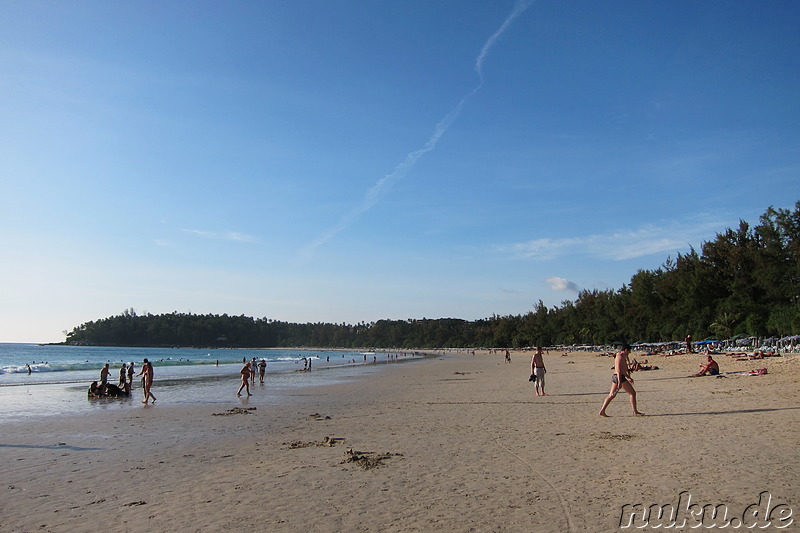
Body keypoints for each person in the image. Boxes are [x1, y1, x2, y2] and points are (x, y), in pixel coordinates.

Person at [599, 344, 644, 417]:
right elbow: (619, 370)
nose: (629, 353)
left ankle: (602, 410)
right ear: (626, 350)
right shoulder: (619, 356)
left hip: (618, 377)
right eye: (629, 351)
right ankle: (635, 412)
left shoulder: (622, 356)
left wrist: (628, 377)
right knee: (632, 393)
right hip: (618, 377)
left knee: (612, 395)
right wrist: (620, 382)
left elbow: (623, 370)